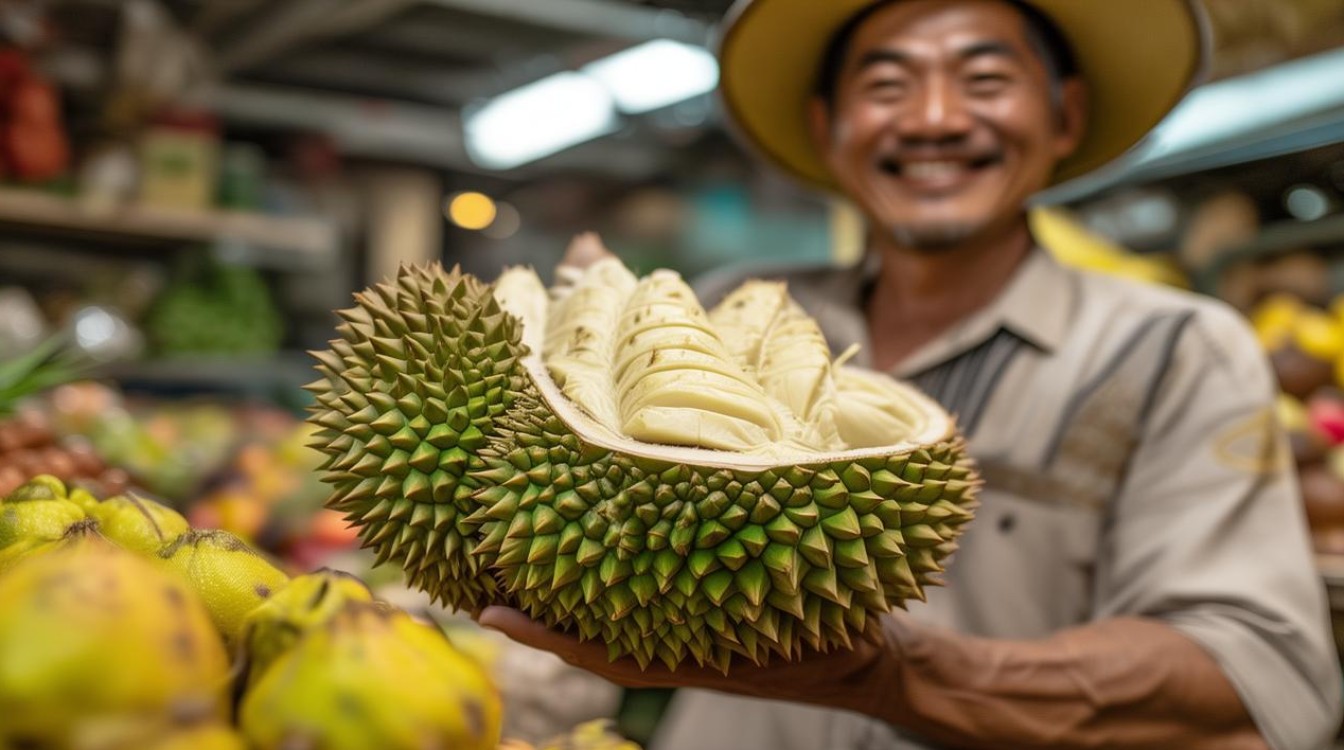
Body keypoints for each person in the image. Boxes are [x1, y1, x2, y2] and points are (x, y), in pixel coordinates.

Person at [479, 1, 1344, 748]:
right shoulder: (715, 312)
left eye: (985, 79)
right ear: (828, 126)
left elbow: (1260, 675)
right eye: (887, 85)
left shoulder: (1172, 349)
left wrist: (895, 675)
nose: (934, 117)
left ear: (1065, 115)